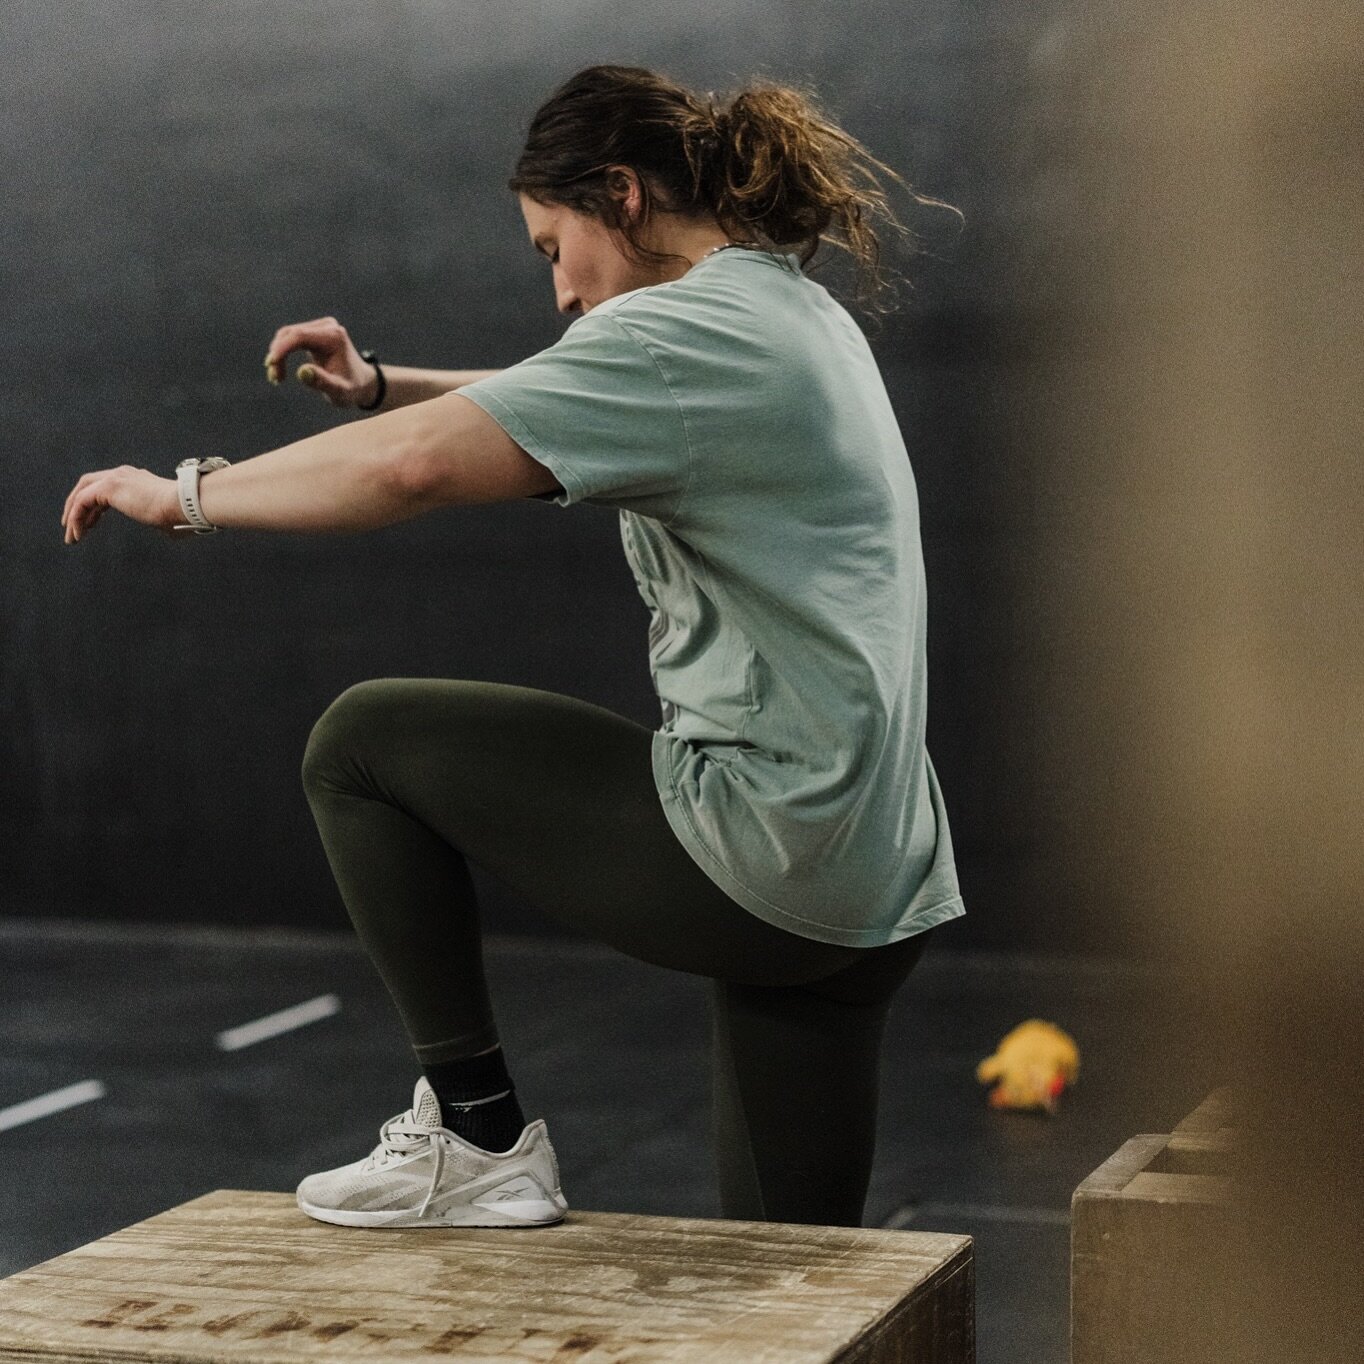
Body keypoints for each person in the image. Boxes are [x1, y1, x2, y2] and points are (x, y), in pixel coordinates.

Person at [60, 64, 965, 1230]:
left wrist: (182, 492)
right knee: (796, 1278)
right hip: (873, 878)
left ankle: (477, 1131)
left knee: (362, 742)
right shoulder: (781, 310)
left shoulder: (685, 329)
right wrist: (383, 383)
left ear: (620, 196)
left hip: (769, 849)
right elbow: (543, 398)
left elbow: (416, 467)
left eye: (551, 247)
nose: (557, 291)